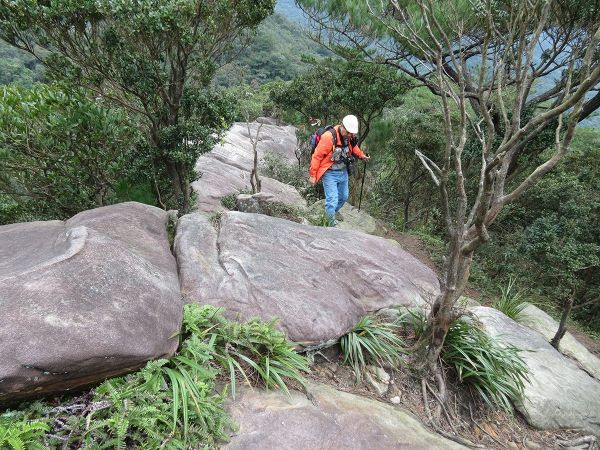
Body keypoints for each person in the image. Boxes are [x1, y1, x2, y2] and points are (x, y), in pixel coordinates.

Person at [309, 114, 370, 226]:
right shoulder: (329, 137)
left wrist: (361, 155)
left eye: (352, 133)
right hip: (330, 173)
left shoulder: (349, 136)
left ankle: (332, 214)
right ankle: (329, 225)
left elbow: (353, 147)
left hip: (343, 172)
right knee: (332, 200)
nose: (349, 135)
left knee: (343, 197)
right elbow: (317, 156)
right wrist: (313, 175)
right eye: (347, 132)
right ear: (342, 126)